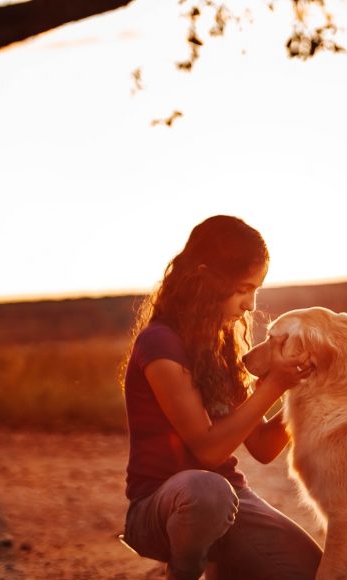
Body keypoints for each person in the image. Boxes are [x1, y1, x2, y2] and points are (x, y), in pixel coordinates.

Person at [120, 215, 322, 580]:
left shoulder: (219, 348)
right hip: (161, 506)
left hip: (230, 504)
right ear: (206, 280)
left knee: (314, 572)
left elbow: (262, 446)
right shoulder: (160, 343)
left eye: (256, 289)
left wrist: (304, 388)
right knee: (207, 491)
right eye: (245, 289)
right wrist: (273, 385)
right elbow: (209, 451)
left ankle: (225, 565)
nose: (251, 304)